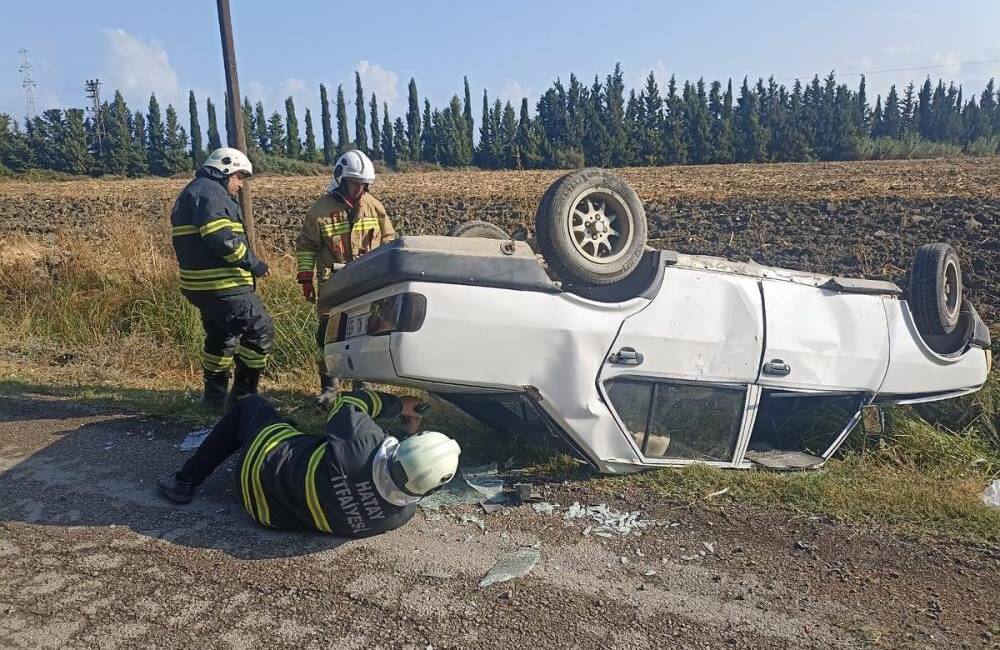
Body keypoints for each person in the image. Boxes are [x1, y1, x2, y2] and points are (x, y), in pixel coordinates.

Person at [157, 390, 460, 537]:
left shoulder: (361, 442)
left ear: (401, 449)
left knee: (250, 406)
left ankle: (184, 481)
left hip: (260, 462)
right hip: (266, 515)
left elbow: (349, 402)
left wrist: (402, 405)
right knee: (300, 436)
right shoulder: (400, 515)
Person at [170, 147, 273, 408]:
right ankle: (243, 398)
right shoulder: (211, 192)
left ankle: (214, 398)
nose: (240, 185)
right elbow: (221, 238)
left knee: (221, 336)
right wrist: (254, 265)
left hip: (200, 285)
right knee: (260, 330)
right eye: (239, 177)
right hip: (222, 284)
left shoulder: (194, 191)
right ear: (224, 169)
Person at [295, 149, 397, 407]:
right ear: (341, 179)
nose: (360, 190)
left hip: (367, 285)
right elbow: (306, 246)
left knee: (365, 336)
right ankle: (330, 389)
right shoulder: (320, 211)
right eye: (355, 184)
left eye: (364, 185)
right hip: (334, 285)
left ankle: (363, 389)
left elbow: (388, 240)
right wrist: (305, 279)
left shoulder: (374, 207)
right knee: (328, 338)